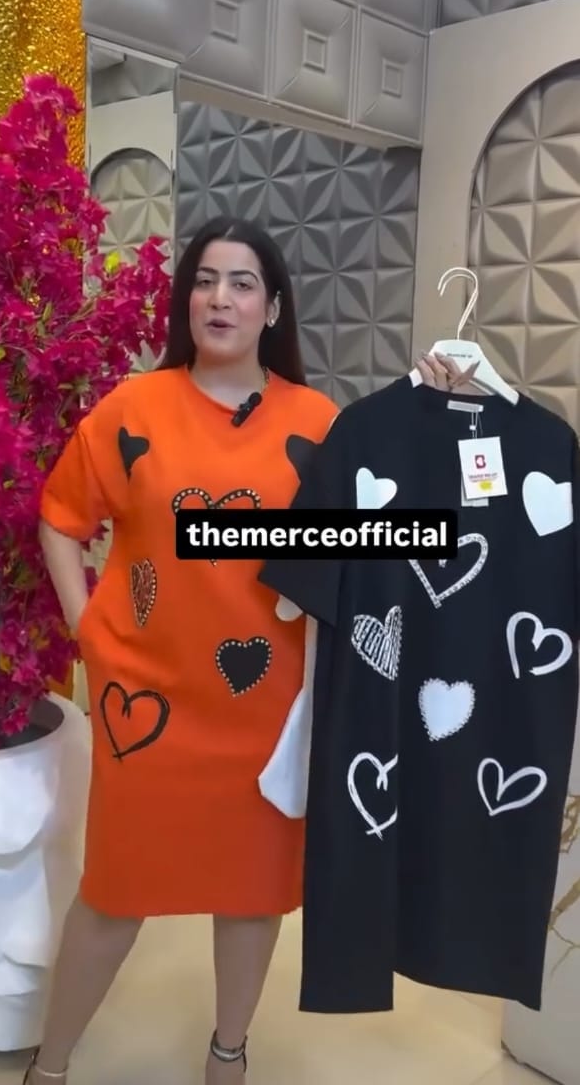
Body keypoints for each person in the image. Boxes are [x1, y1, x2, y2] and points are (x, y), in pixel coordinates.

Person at [28, 216, 467, 1084]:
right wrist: (86, 629)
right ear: (184, 302)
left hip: (267, 707)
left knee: (250, 894)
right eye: (203, 280)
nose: (218, 298)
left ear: (272, 308)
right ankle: (51, 1064)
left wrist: (430, 410)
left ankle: (227, 1053)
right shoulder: (133, 409)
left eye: (240, 283)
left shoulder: (317, 422)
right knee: (114, 891)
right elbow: (61, 516)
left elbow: (379, 530)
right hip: (145, 704)